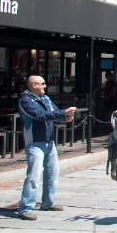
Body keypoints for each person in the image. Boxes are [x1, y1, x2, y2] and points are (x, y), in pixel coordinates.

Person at [17, 75, 76, 220]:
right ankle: (26, 207)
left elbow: (52, 112)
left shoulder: (45, 98)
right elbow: (40, 115)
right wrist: (63, 113)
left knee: (52, 173)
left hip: (49, 141)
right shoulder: (25, 100)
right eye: (42, 84)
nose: (45, 86)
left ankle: (48, 202)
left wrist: (64, 118)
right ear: (34, 85)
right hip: (35, 142)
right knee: (34, 176)